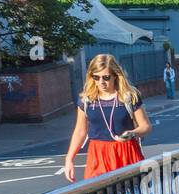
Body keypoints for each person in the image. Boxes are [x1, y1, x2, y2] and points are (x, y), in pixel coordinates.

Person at [63, 54, 152, 183]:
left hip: (126, 152)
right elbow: (80, 131)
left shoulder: (129, 97)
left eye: (106, 77)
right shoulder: (86, 100)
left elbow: (146, 126)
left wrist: (132, 133)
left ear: (115, 76)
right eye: (96, 77)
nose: (101, 82)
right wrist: (69, 159)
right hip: (98, 155)